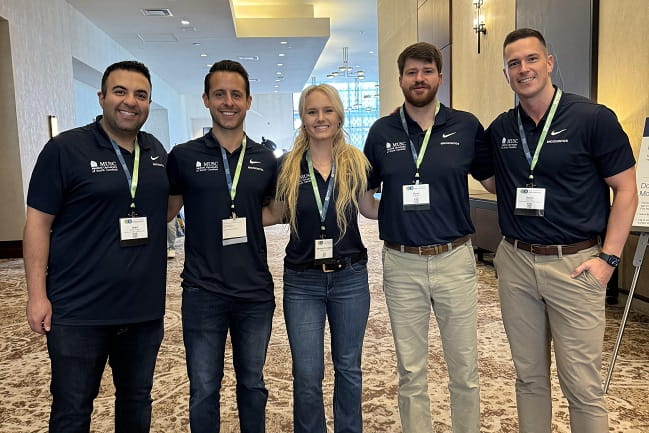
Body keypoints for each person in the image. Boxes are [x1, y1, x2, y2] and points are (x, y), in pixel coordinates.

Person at [482, 28, 638, 432]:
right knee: (529, 378)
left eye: (531, 59)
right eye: (513, 63)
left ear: (549, 63)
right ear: (506, 74)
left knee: (582, 385)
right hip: (516, 263)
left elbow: (626, 190)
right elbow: (493, 181)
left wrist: (609, 259)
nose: (523, 69)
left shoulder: (593, 118)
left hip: (576, 264)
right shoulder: (501, 130)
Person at [24, 60, 168, 432]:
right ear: (102, 97)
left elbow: (167, 208)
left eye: (141, 95)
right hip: (78, 311)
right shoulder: (65, 149)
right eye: (120, 91)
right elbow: (38, 225)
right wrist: (36, 296)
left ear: (149, 102)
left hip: (142, 312)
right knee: (73, 409)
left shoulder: (155, 152)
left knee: (137, 402)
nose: (130, 102)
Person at [362, 42, 492, 433]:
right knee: (411, 368)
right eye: (411, 72)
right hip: (401, 263)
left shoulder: (466, 126)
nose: (419, 79)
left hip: (454, 259)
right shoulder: (382, 131)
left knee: (464, 366)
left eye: (427, 71)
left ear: (440, 76)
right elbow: (365, 195)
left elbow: (493, 180)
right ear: (400, 79)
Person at [166, 60, 277, 433]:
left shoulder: (265, 160)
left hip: (255, 292)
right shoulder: (183, 156)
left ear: (248, 101)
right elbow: (164, 210)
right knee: (203, 389)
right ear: (206, 100)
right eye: (219, 94)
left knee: (253, 384)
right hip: (202, 290)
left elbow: (274, 211)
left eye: (236, 94)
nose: (228, 102)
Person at [263, 84, 372, 432]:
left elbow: (369, 208)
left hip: (350, 277)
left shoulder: (356, 161)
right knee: (307, 372)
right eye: (312, 112)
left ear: (339, 115)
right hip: (302, 280)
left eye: (327, 111)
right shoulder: (288, 166)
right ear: (303, 119)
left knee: (348, 367)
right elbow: (275, 213)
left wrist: (419, 208)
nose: (320, 118)